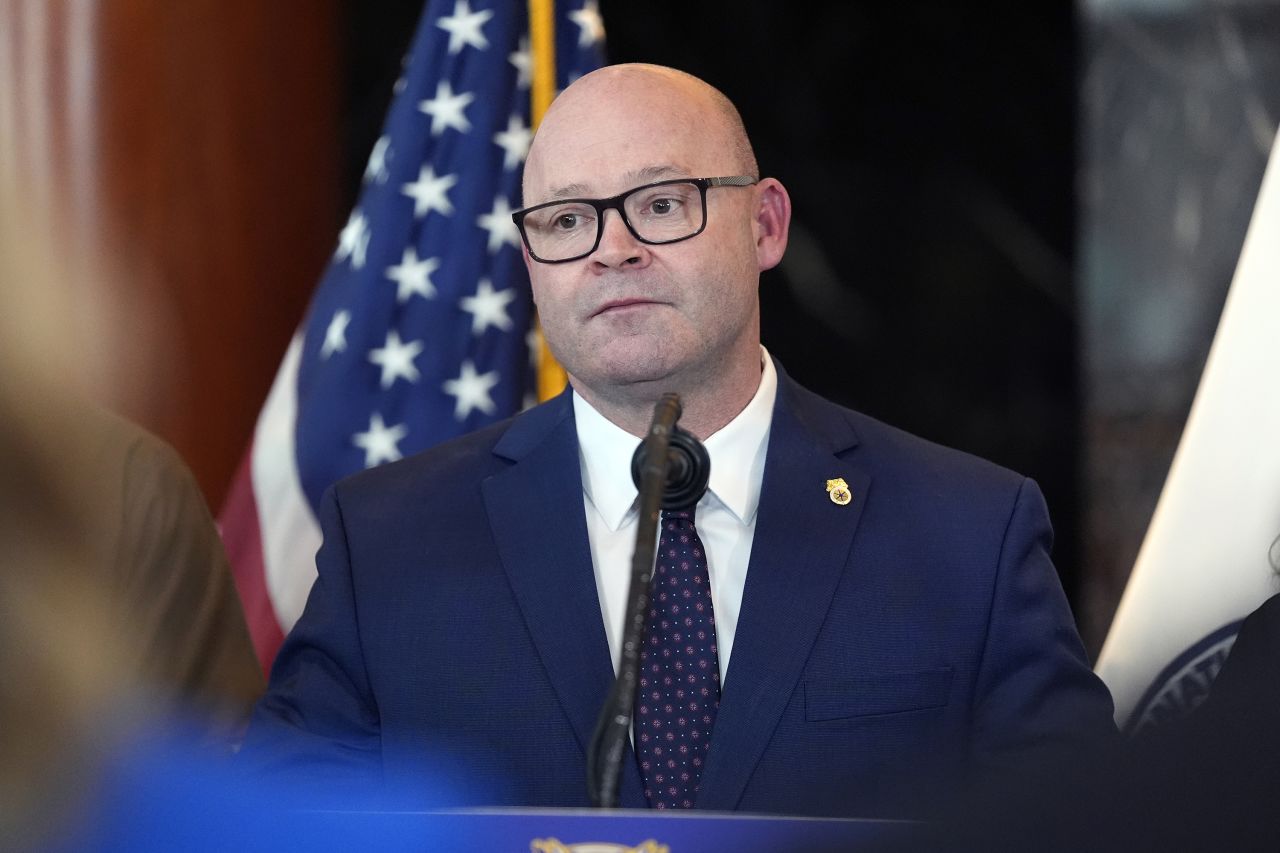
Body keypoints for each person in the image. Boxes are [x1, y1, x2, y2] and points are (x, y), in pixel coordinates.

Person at [242, 64, 1115, 817]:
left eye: (662, 204)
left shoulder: (970, 534)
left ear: (766, 226)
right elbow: (280, 828)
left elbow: (1085, 829)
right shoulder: (389, 541)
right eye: (566, 219)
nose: (612, 249)